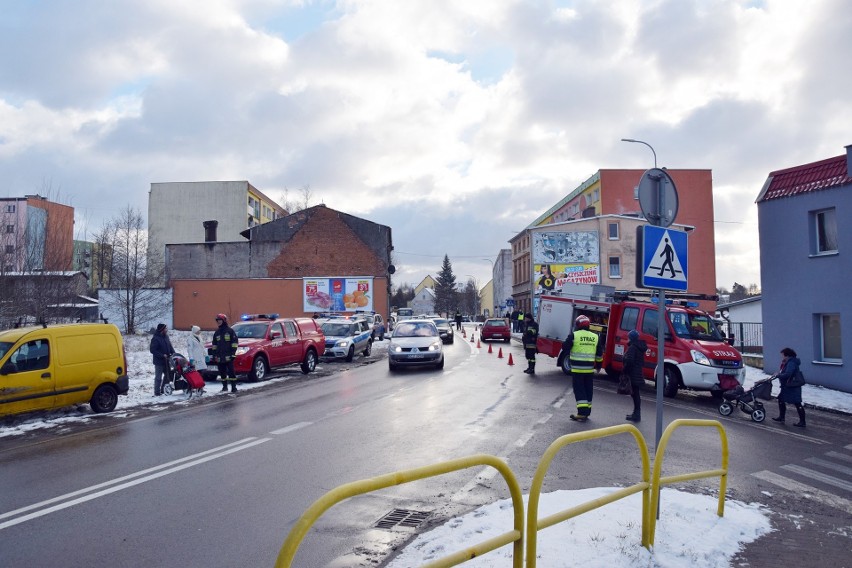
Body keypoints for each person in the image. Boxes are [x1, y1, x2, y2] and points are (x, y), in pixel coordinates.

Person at [563, 315, 604, 422]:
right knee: (588, 390)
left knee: (579, 390)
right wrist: (599, 366)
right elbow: (599, 354)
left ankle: (581, 413)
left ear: (578, 325)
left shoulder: (574, 335)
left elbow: (565, 347)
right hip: (589, 370)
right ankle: (587, 412)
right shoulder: (595, 337)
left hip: (577, 369)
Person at [772, 347, 806, 427]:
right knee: (781, 399)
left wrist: (778, 375)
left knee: (797, 402)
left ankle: (802, 422)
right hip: (787, 386)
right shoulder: (789, 362)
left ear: (787, 355)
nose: (782, 357)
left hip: (792, 386)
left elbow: (788, 374)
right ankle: (781, 417)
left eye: (783, 355)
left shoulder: (791, 363)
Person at [211, 313, 239, 393]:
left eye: (220, 320)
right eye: (217, 321)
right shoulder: (217, 333)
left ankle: (234, 387)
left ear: (224, 321)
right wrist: (214, 355)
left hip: (229, 356)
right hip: (220, 357)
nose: (218, 322)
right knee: (222, 373)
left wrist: (233, 353)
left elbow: (234, 343)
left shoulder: (230, 331)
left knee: (231, 373)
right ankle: (224, 387)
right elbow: (214, 345)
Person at [622, 330, 647, 422]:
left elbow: (630, 361)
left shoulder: (633, 347)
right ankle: (636, 414)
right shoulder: (639, 347)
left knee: (635, 394)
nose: (627, 339)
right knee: (635, 394)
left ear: (631, 338)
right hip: (637, 374)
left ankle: (636, 415)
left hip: (633, 374)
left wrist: (625, 370)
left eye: (629, 337)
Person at [149, 323, 174, 396]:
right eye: (165, 328)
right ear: (162, 330)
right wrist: (162, 355)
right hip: (159, 361)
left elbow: (170, 346)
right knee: (158, 377)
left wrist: (174, 353)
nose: (167, 330)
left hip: (167, 360)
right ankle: (157, 392)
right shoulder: (155, 338)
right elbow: (152, 350)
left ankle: (163, 389)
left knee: (168, 375)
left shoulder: (166, 337)